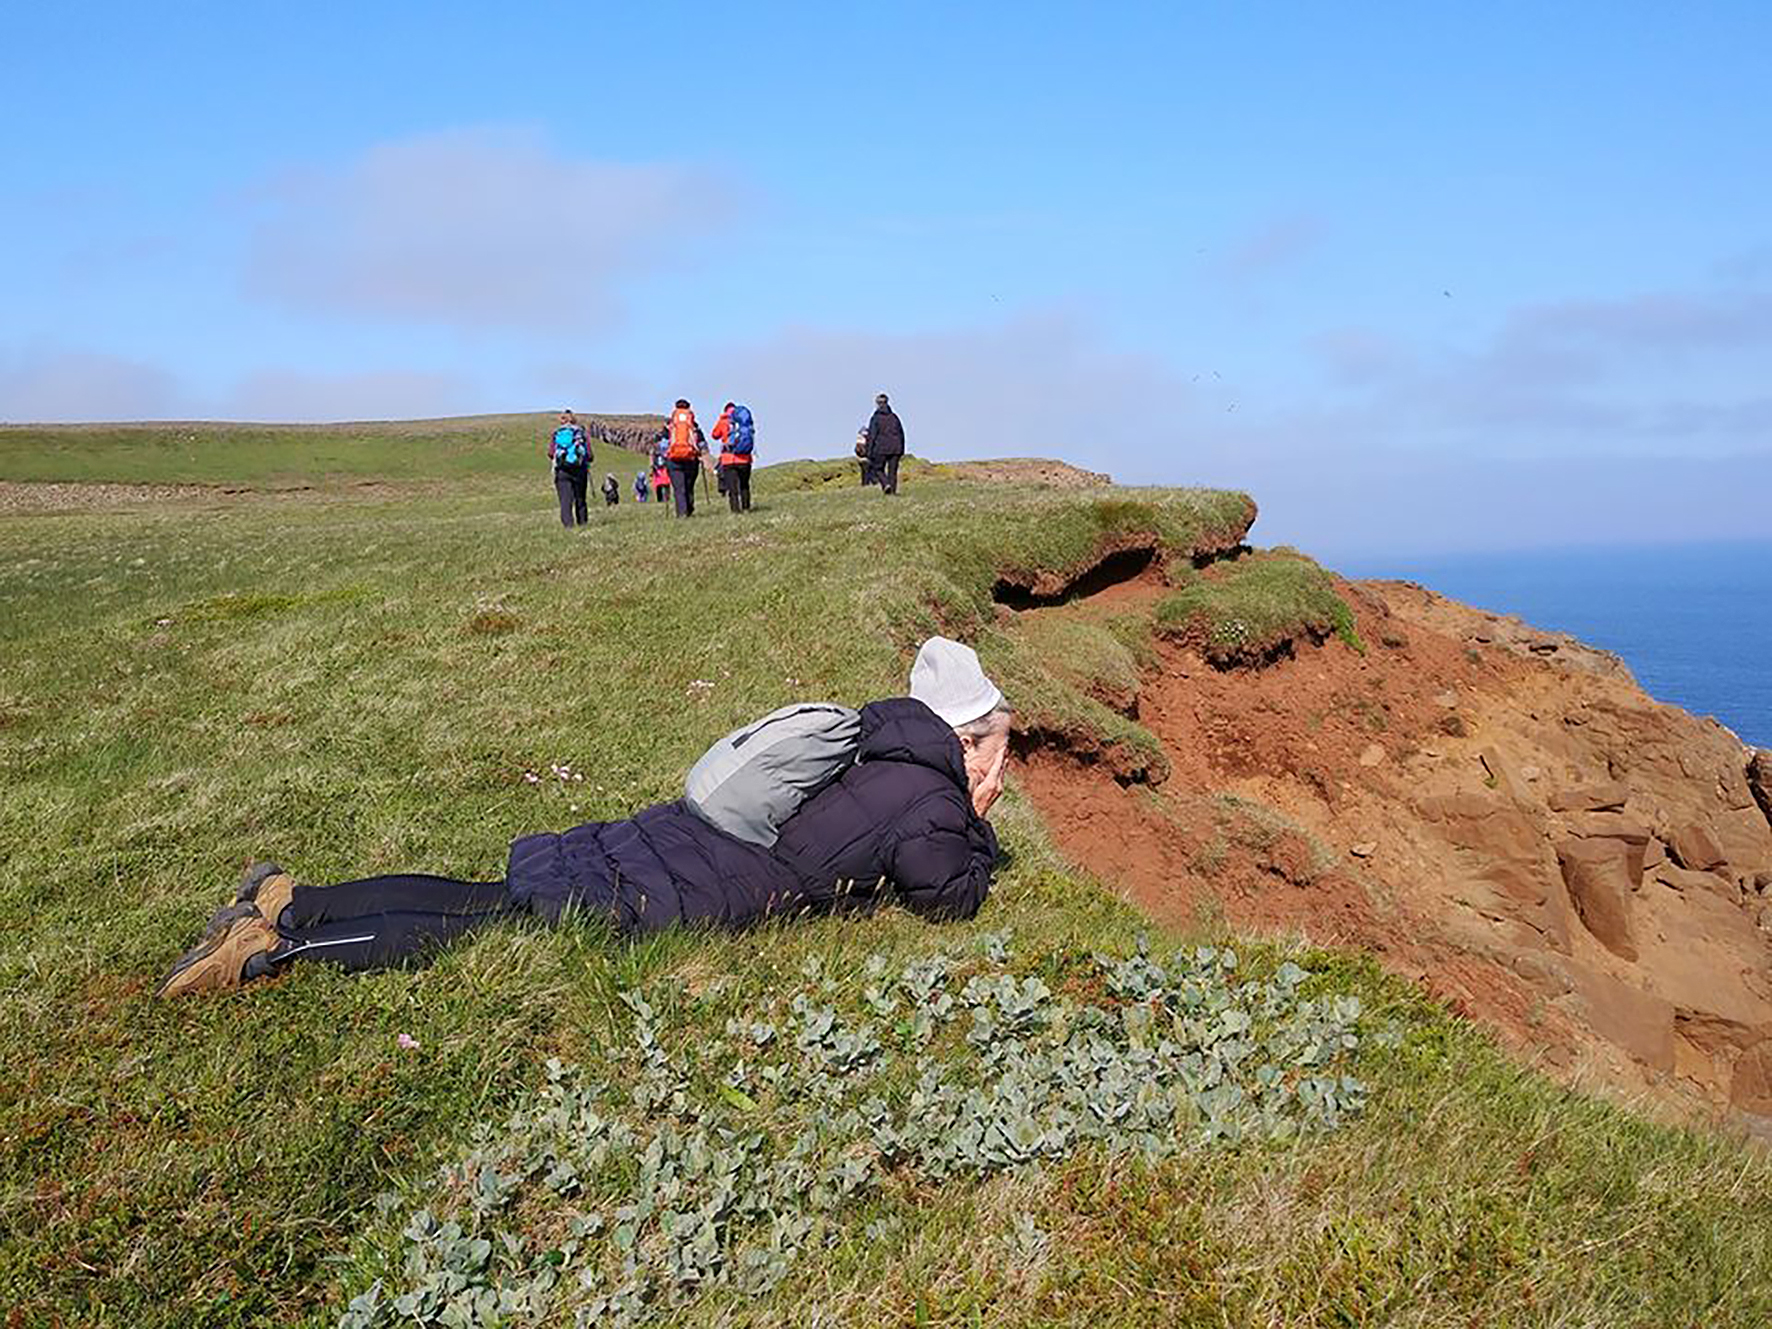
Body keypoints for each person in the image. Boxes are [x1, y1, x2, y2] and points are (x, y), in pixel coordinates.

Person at [157, 638, 1013, 995]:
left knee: (490, 896)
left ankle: (290, 897)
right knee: (490, 927)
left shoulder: (877, 737)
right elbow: (944, 893)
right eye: (1000, 748)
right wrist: (975, 825)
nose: (1002, 767)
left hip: (681, 834)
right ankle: (276, 948)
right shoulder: (932, 792)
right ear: (969, 741)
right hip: (711, 879)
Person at [548, 410, 592, 527]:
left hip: (562, 471)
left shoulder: (557, 433)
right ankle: (582, 524)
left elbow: (551, 453)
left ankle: (569, 527)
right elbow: (590, 455)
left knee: (565, 501)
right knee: (580, 499)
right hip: (580, 470)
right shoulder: (581, 433)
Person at [665, 399, 704, 518]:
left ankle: (682, 513)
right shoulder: (693, 425)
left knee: (679, 488)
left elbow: (662, 444)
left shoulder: (670, 426)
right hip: (691, 459)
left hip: (673, 460)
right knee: (689, 486)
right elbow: (701, 443)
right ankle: (689, 509)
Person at [865, 393, 905, 496]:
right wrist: (902, 449)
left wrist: (868, 452)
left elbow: (872, 436)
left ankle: (886, 484)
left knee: (877, 468)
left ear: (877, 404)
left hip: (881, 448)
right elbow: (901, 434)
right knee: (893, 472)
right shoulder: (894, 417)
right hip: (896, 448)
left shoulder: (875, 418)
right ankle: (892, 491)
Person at [719, 403, 756, 513]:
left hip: (728, 460)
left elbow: (714, 434)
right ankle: (746, 508)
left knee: (732, 488)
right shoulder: (746, 423)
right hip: (745, 459)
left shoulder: (723, 421)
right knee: (744, 485)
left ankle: (735, 510)